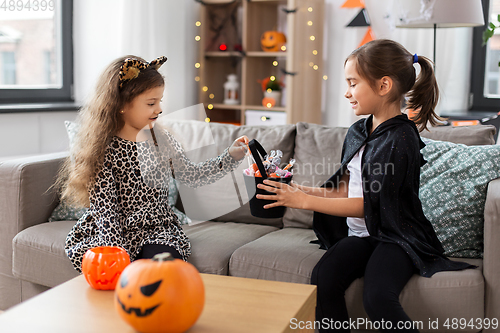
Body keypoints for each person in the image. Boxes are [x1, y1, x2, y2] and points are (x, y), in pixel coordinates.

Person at [256, 39, 474, 332]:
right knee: (324, 277)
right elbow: (346, 192)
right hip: (361, 236)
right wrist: (297, 191)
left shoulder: (401, 139)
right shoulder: (358, 130)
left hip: (395, 238)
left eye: (353, 83)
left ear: (383, 86)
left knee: (377, 298)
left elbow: (370, 205)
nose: (346, 92)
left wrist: (303, 202)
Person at [57, 55, 249, 272]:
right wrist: (119, 257)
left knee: (164, 273)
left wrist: (230, 156)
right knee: (123, 275)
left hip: (158, 229)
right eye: (151, 103)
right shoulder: (103, 151)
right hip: (116, 230)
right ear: (121, 104)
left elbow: (193, 176)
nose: (159, 109)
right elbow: (106, 211)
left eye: (160, 101)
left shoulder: (162, 141)